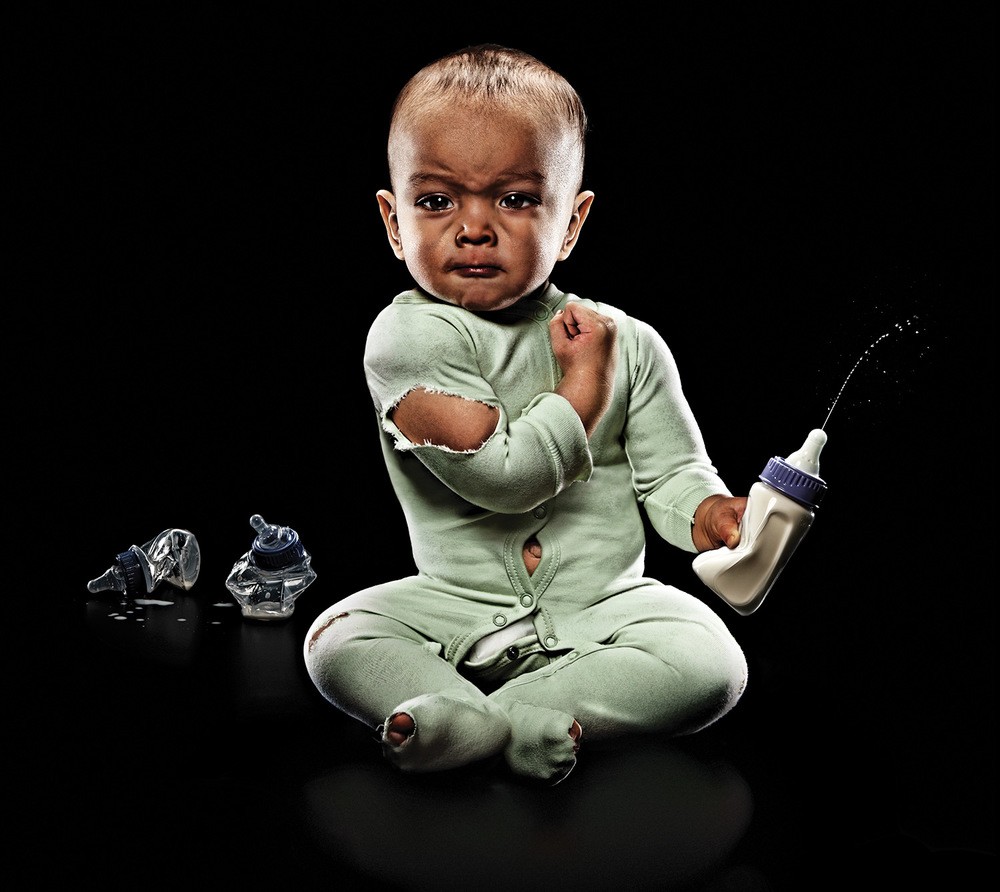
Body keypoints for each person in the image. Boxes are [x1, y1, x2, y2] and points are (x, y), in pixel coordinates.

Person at [304, 43, 749, 785]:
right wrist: (581, 387)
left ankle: (487, 720)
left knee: (712, 663)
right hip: (452, 603)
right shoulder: (405, 340)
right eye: (437, 201)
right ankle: (492, 718)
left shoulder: (628, 342)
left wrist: (712, 516)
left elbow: (671, 475)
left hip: (603, 607)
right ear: (393, 221)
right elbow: (505, 479)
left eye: (515, 199)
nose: (474, 228)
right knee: (340, 639)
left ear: (571, 222)